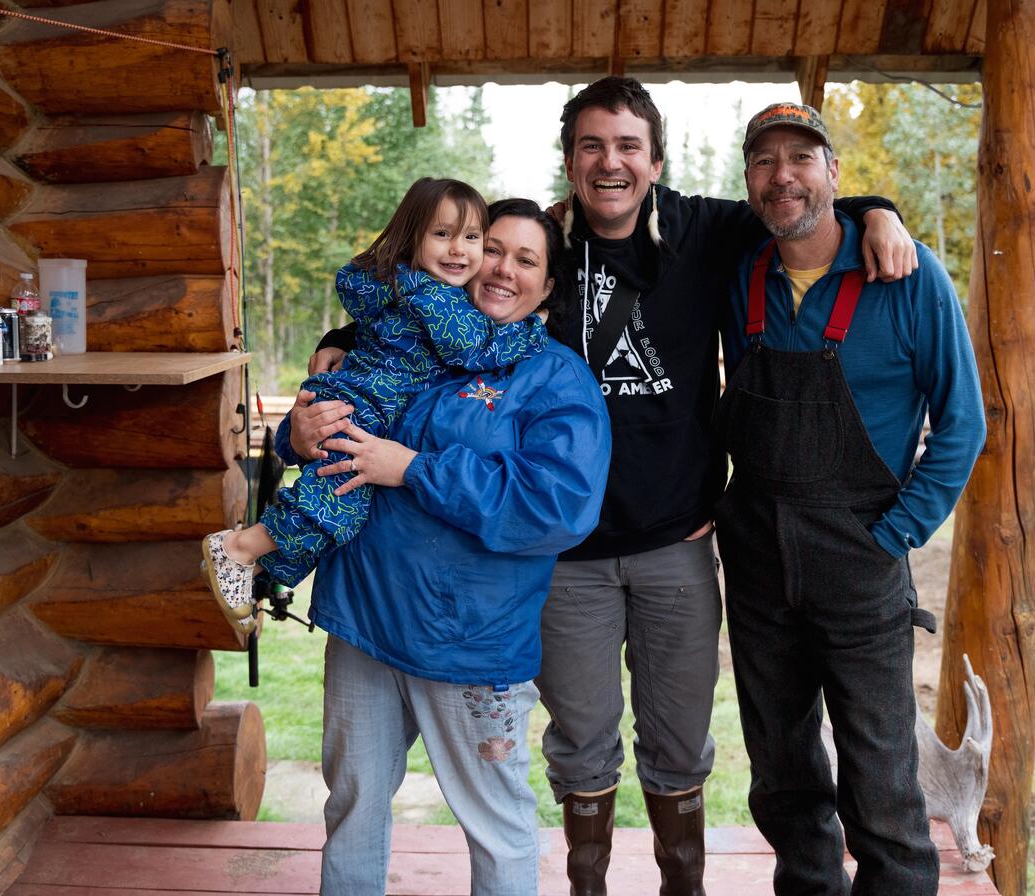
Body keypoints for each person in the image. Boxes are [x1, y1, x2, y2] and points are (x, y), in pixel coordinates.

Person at [295, 77, 921, 896]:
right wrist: (344, 338)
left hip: (678, 545)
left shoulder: (707, 230)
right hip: (568, 560)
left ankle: (681, 887)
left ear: (657, 160)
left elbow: (795, 200)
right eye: (592, 145)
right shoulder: (542, 244)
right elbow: (436, 300)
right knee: (580, 742)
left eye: (629, 145)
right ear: (569, 161)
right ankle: (587, 885)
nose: (611, 162)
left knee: (679, 742)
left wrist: (878, 211)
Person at [273, 199, 611, 896]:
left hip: (468, 643)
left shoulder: (555, 378)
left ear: (548, 288)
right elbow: (335, 422)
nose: (502, 269)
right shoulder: (407, 341)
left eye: (526, 260)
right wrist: (293, 436)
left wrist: (416, 469)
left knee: (495, 821)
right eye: (493, 249)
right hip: (365, 624)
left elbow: (558, 506)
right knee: (353, 805)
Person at [715, 102, 986, 896]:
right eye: (765, 161)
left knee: (881, 777)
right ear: (751, 182)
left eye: (802, 158)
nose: (783, 176)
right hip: (759, 560)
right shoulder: (742, 276)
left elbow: (962, 426)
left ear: (835, 172)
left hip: (861, 555)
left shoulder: (908, 276)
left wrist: (893, 534)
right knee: (783, 772)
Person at [200, 178, 546, 637]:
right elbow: (477, 349)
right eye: (442, 235)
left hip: (355, 403)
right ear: (413, 238)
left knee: (341, 507)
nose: (459, 250)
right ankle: (240, 548)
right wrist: (535, 329)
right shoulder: (436, 298)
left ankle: (258, 568)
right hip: (360, 411)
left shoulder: (398, 286)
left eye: (471, 238)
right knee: (337, 504)